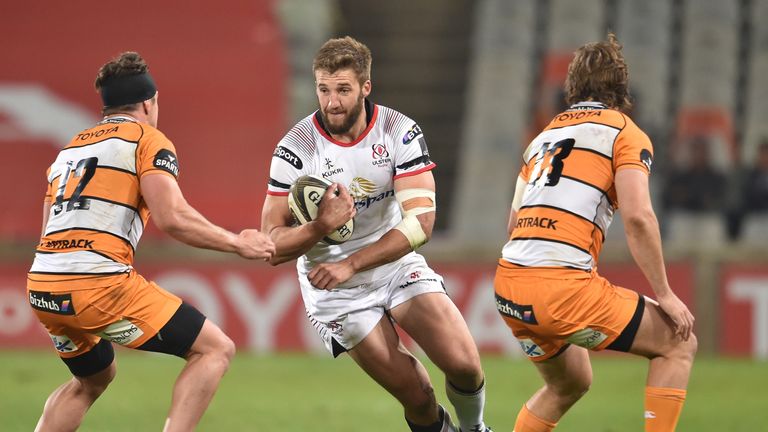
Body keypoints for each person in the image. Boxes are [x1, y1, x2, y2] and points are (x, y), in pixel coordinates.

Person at [27, 51, 276, 432]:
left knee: (93, 378)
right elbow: (172, 217)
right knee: (215, 348)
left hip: (43, 287)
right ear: (149, 102)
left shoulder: (70, 150)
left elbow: (48, 230)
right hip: (99, 284)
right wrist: (237, 243)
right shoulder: (147, 139)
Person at [261, 36, 491, 432]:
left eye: (343, 90)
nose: (332, 102)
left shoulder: (398, 131)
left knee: (465, 366)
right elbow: (272, 245)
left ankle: (476, 429)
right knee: (418, 396)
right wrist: (319, 227)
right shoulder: (296, 150)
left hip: (392, 263)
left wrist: (353, 262)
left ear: (366, 87)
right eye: (324, 89)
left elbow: (421, 223)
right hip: (334, 288)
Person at [494, 34, 696, 432]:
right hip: (562, 290)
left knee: (571, 382)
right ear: (622, 89)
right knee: (679, 342)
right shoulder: (624, 133)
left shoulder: (542, 138)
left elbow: (512, 225)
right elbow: (639, 217)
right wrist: (666, 294)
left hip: (509, 287)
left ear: (572, 88)